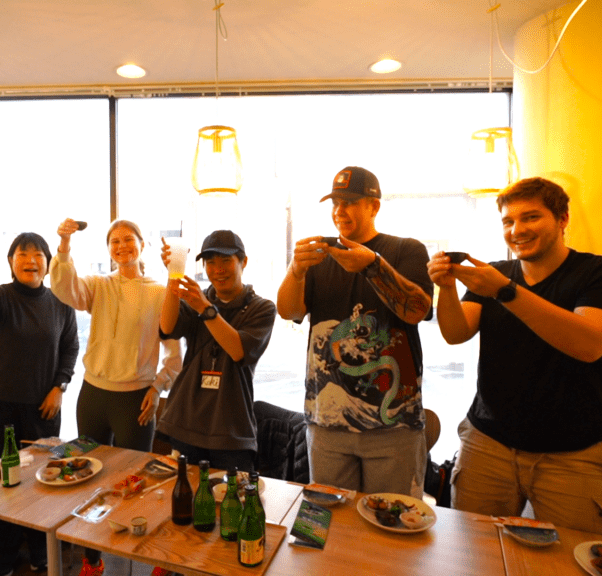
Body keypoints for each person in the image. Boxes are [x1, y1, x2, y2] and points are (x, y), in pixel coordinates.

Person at [426, 176, 602, 537]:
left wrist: (505, 292)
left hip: (573, 453)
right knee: (476, 551)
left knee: (575, 556)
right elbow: (456, 333)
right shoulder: (496, 274)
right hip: (487, 443)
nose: (517, 230)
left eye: (531, 217)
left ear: (563, 218)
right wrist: (445, 287)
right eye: (508, 221)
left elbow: (588, 345)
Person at [276, 166, 434, 497]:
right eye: (335, 203)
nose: (339, 210)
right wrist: (296, 269)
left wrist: (372, 266)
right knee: (327, 518)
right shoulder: (320, 259)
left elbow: (417, 310)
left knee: (393, 520)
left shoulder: (406, 250)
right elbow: (289, 311)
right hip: (327, 424)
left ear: (374, 206)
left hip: (394, 428)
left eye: (349, 202)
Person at [49, 219, 182, 576]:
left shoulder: (159, 292)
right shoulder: (99, 286)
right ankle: (92, 559)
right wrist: (64, 243)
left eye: (128, 239)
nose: (122, 246)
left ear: (142, 245)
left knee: (138, 481)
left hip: (135, 398)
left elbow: (174, 353)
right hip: (93, 395)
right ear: (108, 249)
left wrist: (157, 387)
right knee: (86, 475)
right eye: (115, 241)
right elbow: (64, 287)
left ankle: (147, 556)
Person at [0, 233, 79, 576]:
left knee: (42, 475)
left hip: (43, 405)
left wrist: (60, 386)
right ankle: (6, 548)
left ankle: (39, 545)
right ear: (11, 262)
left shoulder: (60, 301)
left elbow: (70, 347)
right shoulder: (0, 295)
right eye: (22, 254)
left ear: (48, 262)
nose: (30, 260)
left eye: (37, 254)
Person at [157, 230, 276, 474]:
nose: (218, 269)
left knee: (232, 494)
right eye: (210, 262)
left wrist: (205, 309)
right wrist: (173, 276)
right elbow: (167, 327)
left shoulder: (261, 308)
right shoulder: (197, 299)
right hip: (186, 421)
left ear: (243, 262)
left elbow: (238, 350)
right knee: (187, 492)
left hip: (231, 429)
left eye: (225, 261)